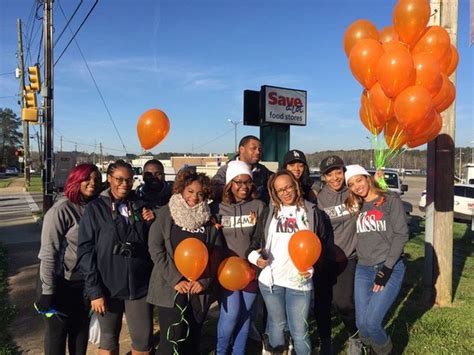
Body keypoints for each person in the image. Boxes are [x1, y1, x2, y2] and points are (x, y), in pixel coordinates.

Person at [77, 160, 155, 355]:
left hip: (139, 286)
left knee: (143, 341)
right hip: (107, 287)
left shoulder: (140, 204)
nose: (124, 184)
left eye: (129, 180)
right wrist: (94, 291)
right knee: (109, 340)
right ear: (109, 179)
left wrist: (149, 222)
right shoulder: (96, 208)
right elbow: (85, 251)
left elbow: (150, 243)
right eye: (119, 179)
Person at [247, 170, 326, 355]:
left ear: (296, 186)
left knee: (299, 332)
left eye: (289, 187)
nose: (286, 192)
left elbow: (320, 247)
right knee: (277, 325)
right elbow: (253, 245)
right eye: (280, 190)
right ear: (275, 193)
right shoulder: (269, 213)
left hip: (299, 281)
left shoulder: (312, 212)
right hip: (271, 282)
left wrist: (312, 268)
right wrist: (255, 259)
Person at [147, 168, 224, 354]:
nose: (195, 197)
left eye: (200, 193)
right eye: (190, 191)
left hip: (198, 291)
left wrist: (204, 282)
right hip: (171, 288)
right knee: (172, 340)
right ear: (181, 190)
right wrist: (176, 280)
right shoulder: (166, 214)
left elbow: (216, 253)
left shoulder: (209, 219)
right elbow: (156, 249)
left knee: (192, 339)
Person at [36, 163, 101, 355]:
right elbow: (48, 254)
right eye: (87, 179)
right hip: (59, 284)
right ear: (76, 180)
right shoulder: (61, 210)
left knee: (80, 337)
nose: (92, 183)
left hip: (85, 286)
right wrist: (48, 291)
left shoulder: (97, 208)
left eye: (97, 179)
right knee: (56, 338)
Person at [344, 165, 408, 355]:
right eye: (351, 184)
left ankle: (385, 351)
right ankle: (372, 349)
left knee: (372, 323)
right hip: (363, 269)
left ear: (367, 178)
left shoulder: (389, 200)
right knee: (361, 325)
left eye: (359, 180)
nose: (356, 186)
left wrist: (386, 269)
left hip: (389, 267)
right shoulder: (357, 206)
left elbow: (401, 234)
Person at [281, 150, 334, 354]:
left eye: (300, 165)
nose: (296, 168)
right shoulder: (278, 188)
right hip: (285, 258)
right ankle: (284, 343)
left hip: (311, 254)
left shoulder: (312, 190)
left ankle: (324, 340)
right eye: (292, 164)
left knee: (318, 301)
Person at [215, 161, 266, 355]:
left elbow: (262, 237)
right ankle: (221, 351)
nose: (244, 187)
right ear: (229, 184)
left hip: (250, 270)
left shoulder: (259, 206)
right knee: (230, 315)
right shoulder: (217, 208)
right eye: (238, 182)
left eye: (247, 182)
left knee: (245, 315)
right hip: (227, 272)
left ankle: (239, 352)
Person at [317, 156, 360, 354]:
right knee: (324, 303)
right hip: (325, 259)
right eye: (330, 174)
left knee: (344, 302)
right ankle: (326, 340)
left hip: (349, 256)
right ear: (323, 177)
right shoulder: (317, 197)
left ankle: (354, 335)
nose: (335, 178)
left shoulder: (353, 191)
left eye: (338, 172)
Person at [211, 135, 273, 204]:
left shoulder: (264, 171)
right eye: (253, 148)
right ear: (242, 149)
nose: (258, 152)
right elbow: (214, 191)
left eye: (260, 149)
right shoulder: (225, 170)